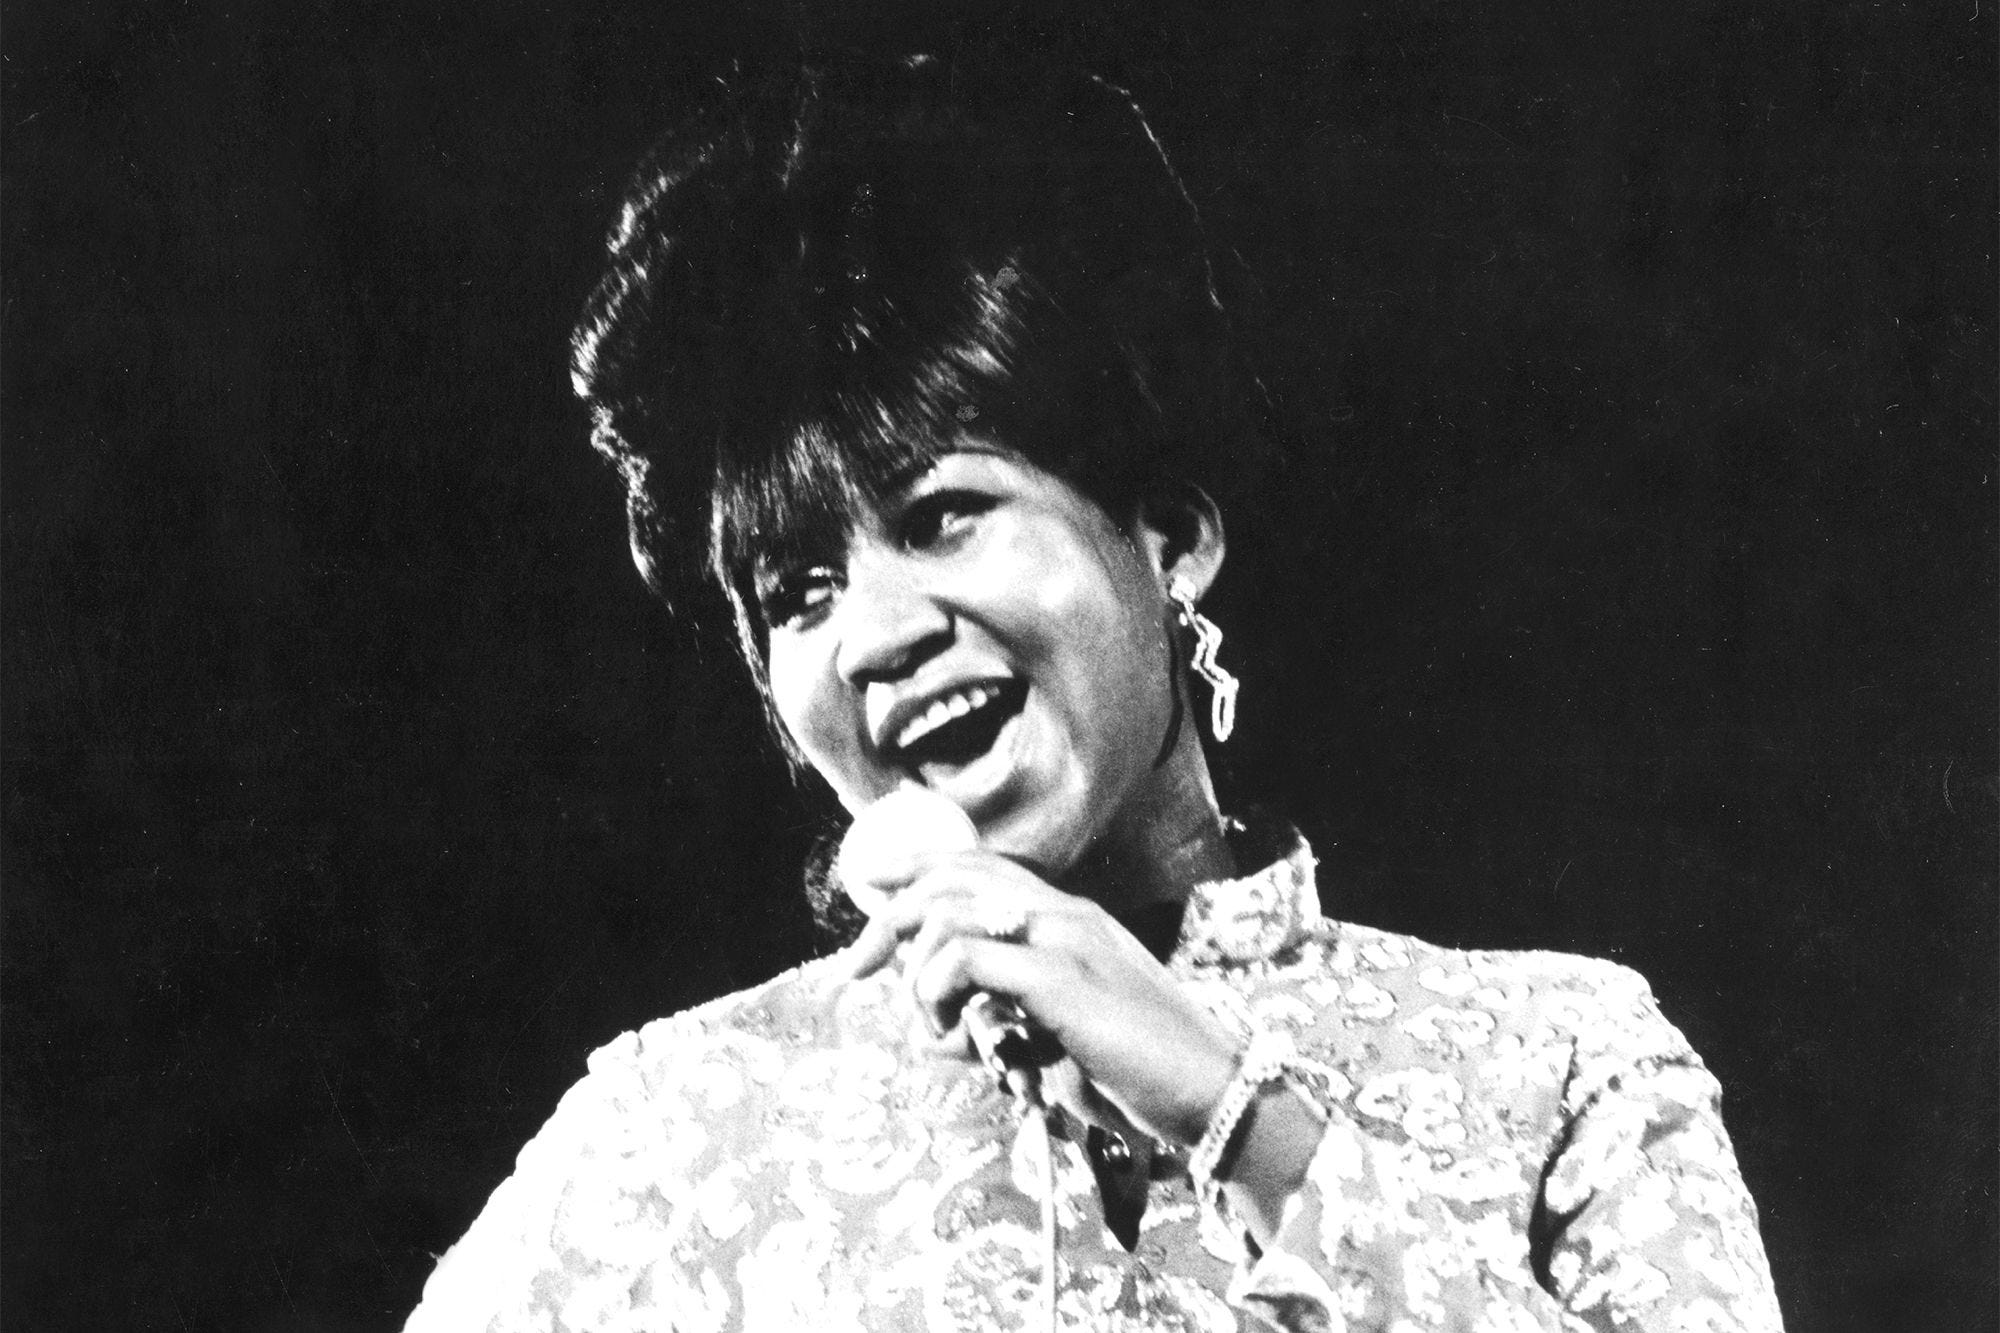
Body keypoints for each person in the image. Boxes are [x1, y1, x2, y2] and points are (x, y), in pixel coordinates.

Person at [405, 51, 1783, 1332]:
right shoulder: (675, 1132)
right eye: (797, 590)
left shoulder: (1559, 1061)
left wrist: (1235, 1112)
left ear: (1169, 536)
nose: (874, 635)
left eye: (942, 516)